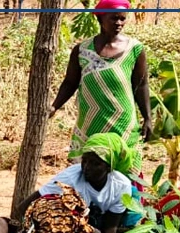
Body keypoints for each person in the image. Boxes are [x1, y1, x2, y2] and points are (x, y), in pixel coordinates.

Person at [50, 0, 151, 180]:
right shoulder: (81, 50)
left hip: (123, 122)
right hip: (91, 121)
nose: (119, 23)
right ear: (100, 18)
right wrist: (54, 106)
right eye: (114, 19)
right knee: (90, 168)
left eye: (122, 19)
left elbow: (141, 85)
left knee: (123, 169)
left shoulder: (134, 49)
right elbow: (70, 82)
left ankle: (122, 207)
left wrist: (148, 118)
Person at [19, 133, 136, 233]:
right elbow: (26, 204)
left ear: (109, 168)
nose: (87, 167)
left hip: (101, 221)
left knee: (133, 211)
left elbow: (111, 226)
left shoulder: (121, 186)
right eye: (85, 160)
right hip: (73, 226)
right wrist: (27, 231)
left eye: (96, 164)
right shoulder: (69, 178)